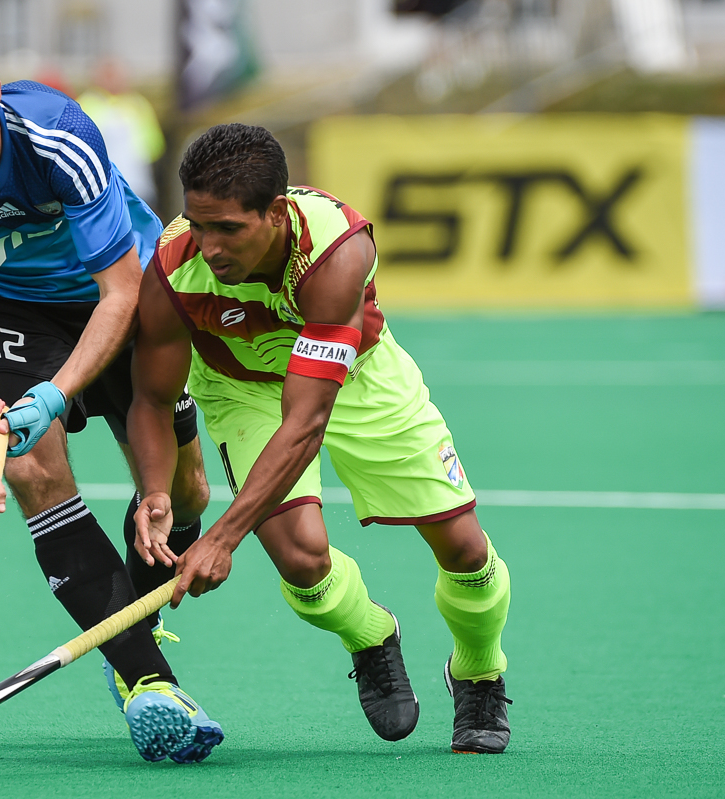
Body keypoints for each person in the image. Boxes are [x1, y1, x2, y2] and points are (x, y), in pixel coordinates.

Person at [0, 4, 222, 764]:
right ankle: (147, 679)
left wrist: (57, 393)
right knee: (26, 464)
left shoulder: (58, 134)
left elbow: (121, 293)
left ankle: (122, 614)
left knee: (187, 492)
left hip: (108, 292)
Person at [127, 123, 513, 754]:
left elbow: (305, 421)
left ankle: (479, 668)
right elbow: (152, 398)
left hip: (359, 380)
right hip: (240, 387)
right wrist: (154, 493)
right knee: (302, 561)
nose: (209, 246)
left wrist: (222, 538)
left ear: (276, 213)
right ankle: (369, 635)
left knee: (465, 551)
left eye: (228, 228)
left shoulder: (335, 255)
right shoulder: (175, 270)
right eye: (198, 224)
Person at [77, 59, 166, 211]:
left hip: (138, 186)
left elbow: (155, 146)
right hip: (100, 190)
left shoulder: (138, 104)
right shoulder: (84, 105)